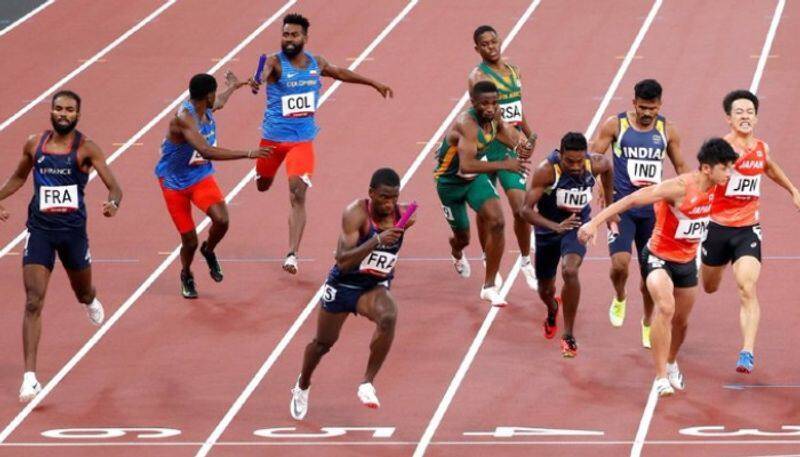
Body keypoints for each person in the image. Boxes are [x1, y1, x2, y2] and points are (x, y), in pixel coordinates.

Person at [579, 138, 738, 396]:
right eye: (726, 168)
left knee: (682, 322)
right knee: (665, 307)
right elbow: (631, 200)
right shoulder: (678, 188)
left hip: (687, 262)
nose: (730, 174)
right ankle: (660, 377)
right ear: (707, 168)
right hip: (658, 256)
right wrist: (593, 223)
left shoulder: (719, 188)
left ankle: (672, 362)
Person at [0, 91, 123, 402]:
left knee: (82, 291)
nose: (63, 113)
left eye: (69, 109)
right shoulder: (34, 144)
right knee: (33, 301)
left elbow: (115, 186)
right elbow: (17, 178)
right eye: (58, 108)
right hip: (39, 231)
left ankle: (90, 300)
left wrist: (113, 203)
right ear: (51, 112)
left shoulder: (86, 149)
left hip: (73, 234)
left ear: (77, 115)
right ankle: (30, 378)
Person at [250, 13, 393, 275]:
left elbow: (340, 73)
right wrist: (257, 80)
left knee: (298, 193)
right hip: (272, 141)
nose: (289, 39)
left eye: (294, 34)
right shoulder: (274, 63)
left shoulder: (317, 63)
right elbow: (262, 74)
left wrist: (372, 82)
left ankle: (292, 253)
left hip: (301, 142)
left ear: (305, 37)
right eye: (285, 34)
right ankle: (261, 174)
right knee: (263, 185)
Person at [289, 168, 412, 420]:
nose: (389, 204)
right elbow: (343, 261)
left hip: (373, 287)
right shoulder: (355, 214)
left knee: (389, 316)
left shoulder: (406, 216)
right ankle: (303, 384)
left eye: (394, 198)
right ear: (371, 193)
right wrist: (377, 241)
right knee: (323, 345)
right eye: (384, 197)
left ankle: (367, 382)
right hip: (343, 284)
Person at [700, 90, 800, 373]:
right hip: (717, 228)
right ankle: (707, 263)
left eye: (749, 112)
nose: (745, 116)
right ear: (728, 118)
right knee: (709, 287)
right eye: (739, 112)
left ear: (756, 117)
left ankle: (747, 352)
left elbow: (768, 167)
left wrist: (793, 190)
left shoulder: (761, 148)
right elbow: (702, 180)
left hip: (747, 230)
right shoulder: (720, 149)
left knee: (747, 287)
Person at [591, 79, 688, 348]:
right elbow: (593, 158)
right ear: (634, 103)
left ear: (660, 105)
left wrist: (692, 195)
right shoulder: (615, 125)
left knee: (650, 278)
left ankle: (647, 322)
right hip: (623, 209)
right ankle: (620, 296)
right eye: (643, 107)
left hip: (654, 213)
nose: (647, 113)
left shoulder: (667, 130)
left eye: (652, 108)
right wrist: (600, 184)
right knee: (620, 264)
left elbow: (680, 165)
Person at [155, 72, 269, 299]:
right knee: (189, 241)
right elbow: (206, 151)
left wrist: (233, 87)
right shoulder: (184, 120)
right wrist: (248, 153)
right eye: (213, 94)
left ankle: (209, 250)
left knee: (222, 220)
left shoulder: (203, 106)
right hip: (174, 183)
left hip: (199, 176)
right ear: (207, 96)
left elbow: (220, 102)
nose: (215, 98)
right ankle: (186, 274)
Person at [433, 81, 533, 306]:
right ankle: (456, 251)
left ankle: (488, 286)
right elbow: (466, 165)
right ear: (473, 103)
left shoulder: (494, 117)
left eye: (494, 103)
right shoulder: (466, 125)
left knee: (497, 221)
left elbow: (508, 138)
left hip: (474, 180)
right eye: (484, 104)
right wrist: (505, 164)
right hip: (450, 183)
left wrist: (521, 145)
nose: (490, 108)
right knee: (463, 237)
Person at [520, 132, 612, 357]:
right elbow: (524, 210)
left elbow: (608, 168)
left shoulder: (596, 163)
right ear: (560, 155)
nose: (576, 166)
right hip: (548, 230)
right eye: (570, 161)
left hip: (577, 226)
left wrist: (609, 205)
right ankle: (552, 308)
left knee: (570, 271)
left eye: (580, 161)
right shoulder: (547, 170)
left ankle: (568, 335)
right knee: (545, 289)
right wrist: (555, 226)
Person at [468, 25, 538, 289]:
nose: (491, 47)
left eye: (494, 41)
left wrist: (528, 136)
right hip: (487, 148)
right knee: (488, 212)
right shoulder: (477, 77)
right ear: (477, 49)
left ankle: (525, 261)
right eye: (484, 44)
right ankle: (488, 258)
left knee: (521, 209)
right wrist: (514, 139)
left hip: (512, 146)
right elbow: (485, 117)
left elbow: (517, 108)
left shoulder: (513, 71)